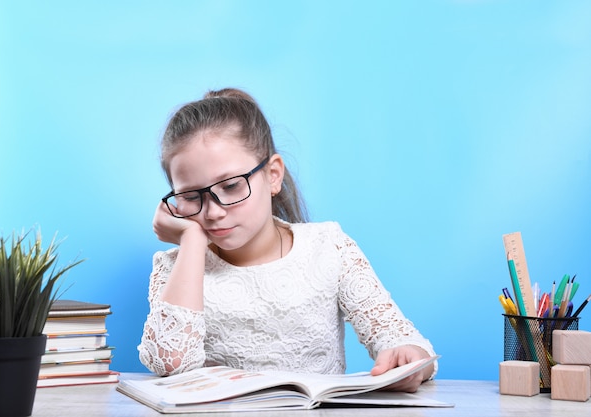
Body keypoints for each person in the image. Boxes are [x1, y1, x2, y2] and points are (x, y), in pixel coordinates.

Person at [138, 88, 437, 392]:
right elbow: (171, 362)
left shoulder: (328, 247)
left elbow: (399, 336)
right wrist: (190, 240)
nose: (214, 212)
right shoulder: (176, 267)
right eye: (190, 196)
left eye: (230, 186)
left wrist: (408, 357)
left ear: (273, 175)